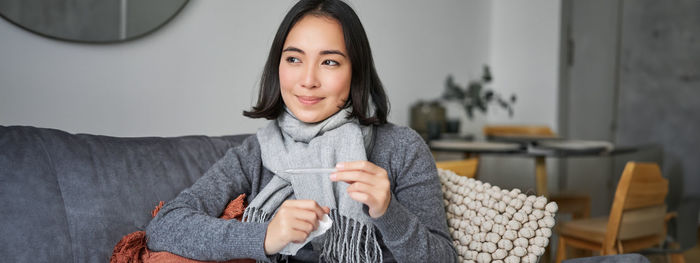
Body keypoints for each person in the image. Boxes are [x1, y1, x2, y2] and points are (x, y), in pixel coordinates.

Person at [146, 0, 457, 262]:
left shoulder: (401, 148)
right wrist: (266, 236)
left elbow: (444, 258)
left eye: (330, 62)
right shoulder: (256, 154)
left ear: (356, 72)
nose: (308, 80)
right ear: (277, 66)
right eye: (294, 59)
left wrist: (389, 212)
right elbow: (165, 227)